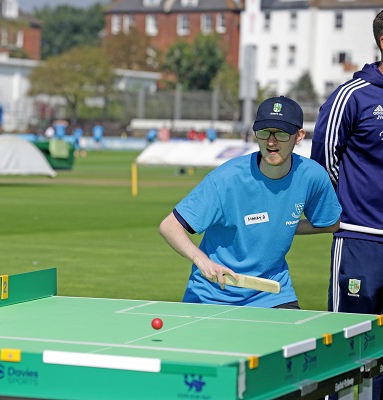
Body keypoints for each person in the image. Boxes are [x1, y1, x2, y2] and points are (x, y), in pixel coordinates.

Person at [159, 96, 341, 308]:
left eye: (281, 133)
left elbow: (330, 223)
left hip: (273, 293)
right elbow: (169, 226)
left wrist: (285, 225)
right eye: (264, 132)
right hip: (213, 295)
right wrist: (202, 261)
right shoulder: (226, 179)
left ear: (299, 135)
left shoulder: (313, 176)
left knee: (298, 341)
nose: (271, 142)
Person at [310, 10, 383, 400]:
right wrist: (346, 210)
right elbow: (324, 163)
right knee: (345, 346)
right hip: (361, 239)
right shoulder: (352, 96)